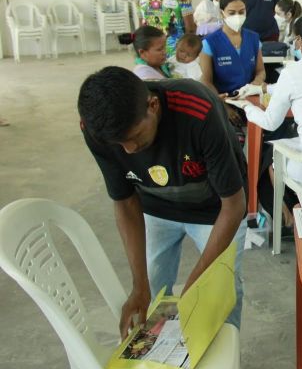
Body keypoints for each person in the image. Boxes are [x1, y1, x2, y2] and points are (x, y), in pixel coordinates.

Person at [77, 67, 248, 337]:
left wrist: (195, 284)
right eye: (119, 144)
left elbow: (234, 205)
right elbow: (124, 201)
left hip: (215, 211)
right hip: (155, 207)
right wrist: (138, 285)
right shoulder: (97, 129)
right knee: (153, 291)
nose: (129, 150)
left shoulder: (198, 110)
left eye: (134, 137)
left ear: (153, 106)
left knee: (218, 292)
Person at [227, 14, 302, 223]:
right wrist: (262, 88)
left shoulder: (294, 71)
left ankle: (287, 217)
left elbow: (270, 122)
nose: (295, 44)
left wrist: (247, 107)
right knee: (290, 142)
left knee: (273, 159)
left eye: (295, 39)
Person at [199, 0, 266, 97]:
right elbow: (206, 82)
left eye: (241, 12)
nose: (237, 16)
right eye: (232, 13)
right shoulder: (209, 43)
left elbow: (261, 70)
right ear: (222, 13)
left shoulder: (253, 38)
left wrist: (257, 82)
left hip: (249, 98)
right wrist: (221, 104)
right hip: (223, 101)